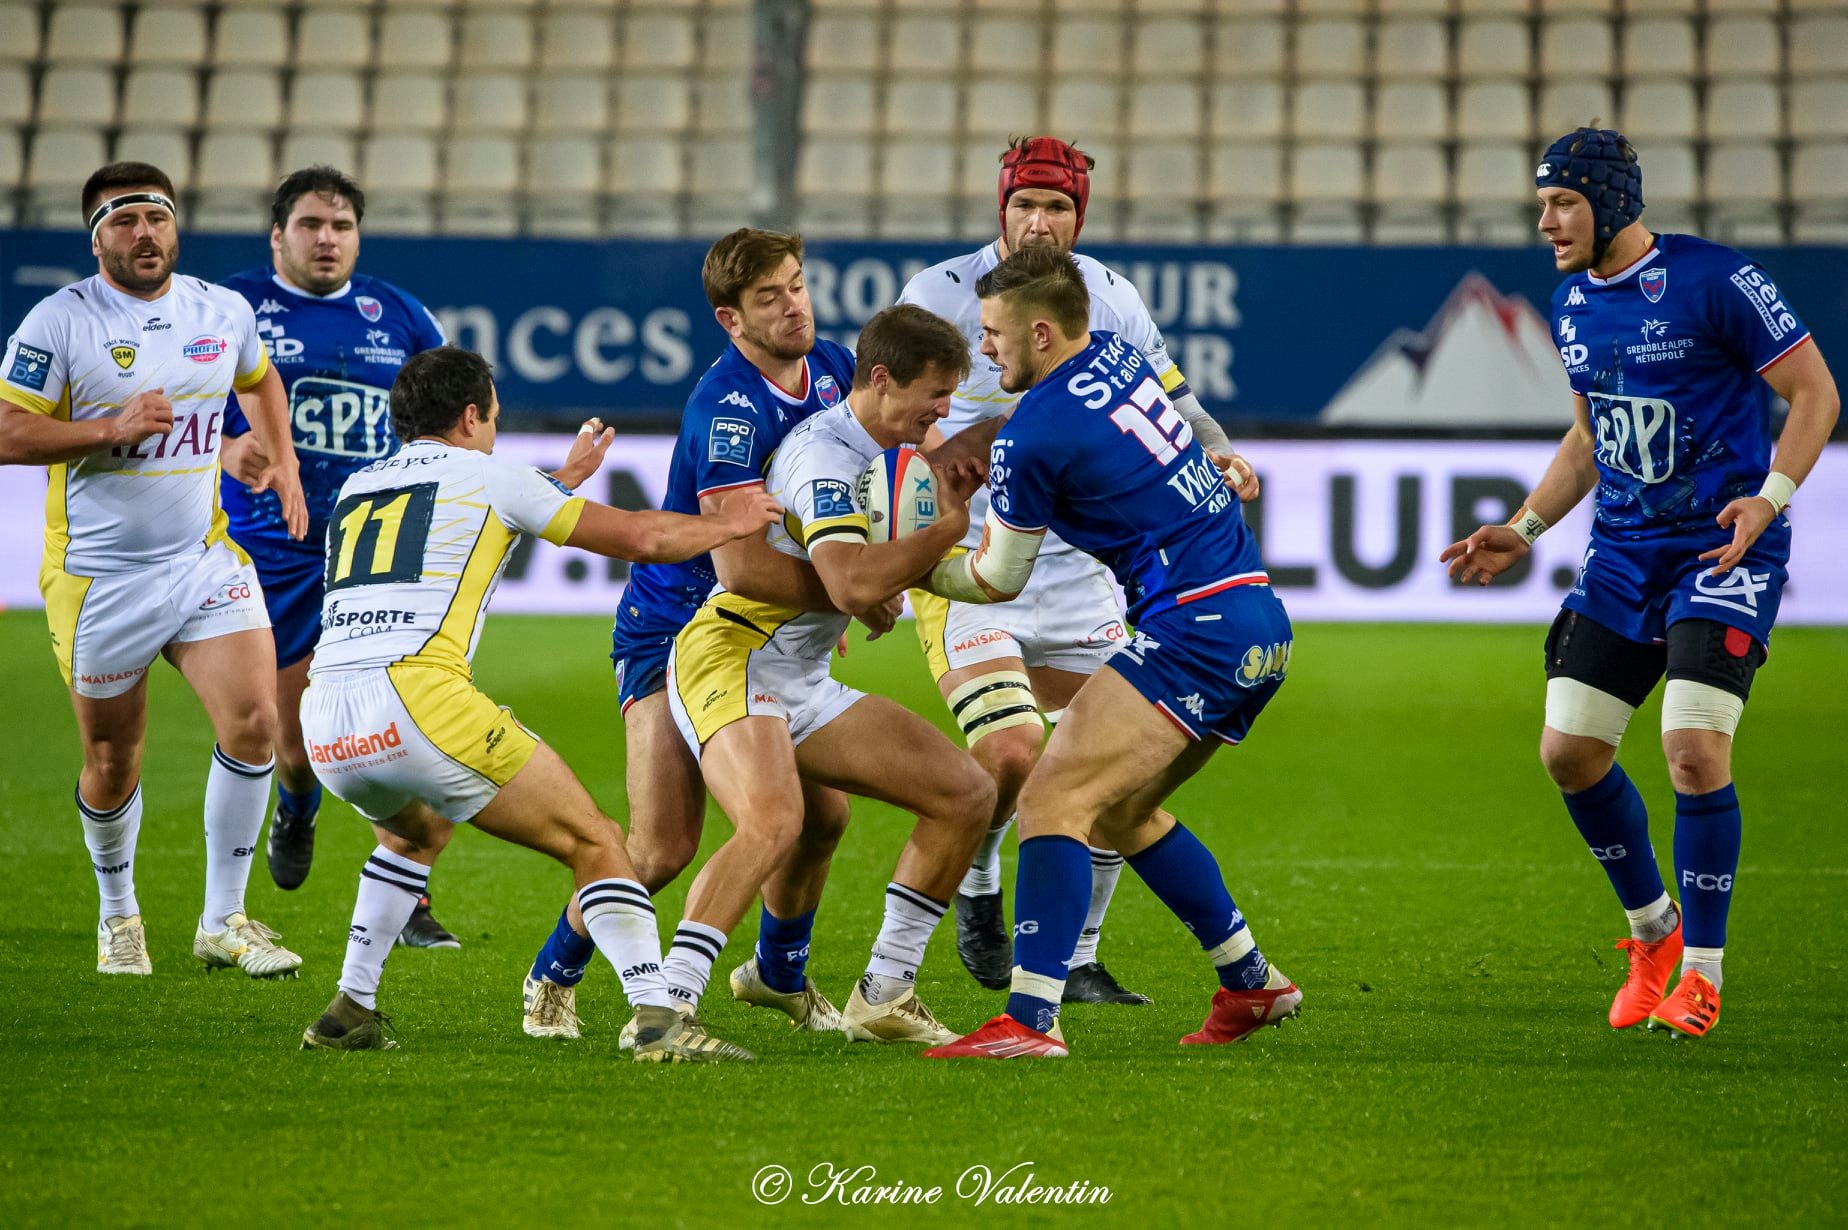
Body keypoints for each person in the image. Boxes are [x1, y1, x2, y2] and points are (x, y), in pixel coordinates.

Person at [1442, 129, 1839, 1039]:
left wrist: (1769, 501)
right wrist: (1524, 527)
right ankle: (1653, 931)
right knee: (1568, 754)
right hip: (1622, 555)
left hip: (1721, 551)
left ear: (1613, 203)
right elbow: (1589, 438)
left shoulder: (1716, 281)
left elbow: (1815, 394)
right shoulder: (1572, 302)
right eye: (1542, 204)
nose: (1545, 221)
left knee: (1694, 751)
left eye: (1562, 203)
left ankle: (1702, 970)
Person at [296, 346, 780, 1060]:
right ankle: (657, 1017)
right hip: (416, 698)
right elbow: (644, 537)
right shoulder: (492, 477)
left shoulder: (359, 487)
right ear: (471, 416)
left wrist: (561, 480)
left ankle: (349, 1008)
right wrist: (732, 526)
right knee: (597, 842)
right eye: (491, 414)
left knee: (414, 834)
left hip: (326, 717)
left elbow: (454, 513)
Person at [897, 136, 1261, 1003]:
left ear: (1079, 216)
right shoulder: (938, 293)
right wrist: (886, 557)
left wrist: (1220, 453)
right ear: (1001, 208)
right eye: (1025, 204)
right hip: (977, 554)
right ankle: (979, 885)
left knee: (1107, 769)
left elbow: (1173, 399)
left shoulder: (1111, 296)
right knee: (1019, 755)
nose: (1039, 222)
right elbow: (894, 419)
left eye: (1056, 207)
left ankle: (1079, 956)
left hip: (1076, 565)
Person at [518, 228, 863, 1041]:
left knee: (824, 818)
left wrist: (822, 603)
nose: (794, 306)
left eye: (798, 284)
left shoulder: (839, 370)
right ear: (729, 318)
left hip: (764, 634)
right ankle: (554, 971)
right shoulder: (728, 408)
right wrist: (836, 595)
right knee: (664, 845)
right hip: (676, 626)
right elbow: (739, 567)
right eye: (769, 297)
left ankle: (779, 975)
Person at [655, 304, 995, 1049]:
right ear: (880, 380)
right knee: (776, 821)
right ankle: (665, 1012)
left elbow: (851, 583)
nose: (941, 413)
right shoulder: (824, 457)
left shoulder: (883, 449)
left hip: (798, 672)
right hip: (734, 656)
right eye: (933, 395)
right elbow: (845, 583)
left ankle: (885, 991)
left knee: (965, 793)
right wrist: (940, 535)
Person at [0, 162, 308, 980]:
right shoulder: (59, 322)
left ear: (177, 227)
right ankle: (118, 914)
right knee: (113, 762)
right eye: (122, 219)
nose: (144, 233)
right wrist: (109, 428)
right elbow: (4, 431)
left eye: (156, 218)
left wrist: (281, 461)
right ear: (95, 237)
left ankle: (223, 920)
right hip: (101, 578)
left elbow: (259, 377)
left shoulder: (222, 309)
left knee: (255, 725)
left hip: (201, 559)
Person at [217, 165, 460, 948]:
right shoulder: (232, 309)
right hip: (275, 547)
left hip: (376, 547)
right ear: (277, 235)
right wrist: (225, 449)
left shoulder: (398, 314)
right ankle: (297, 803)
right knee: (297, 741)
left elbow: (449, 409)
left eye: (342, 226)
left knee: (403, 717)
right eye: (312, 225)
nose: (328, 239)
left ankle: (412, 893)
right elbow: (177, 410)